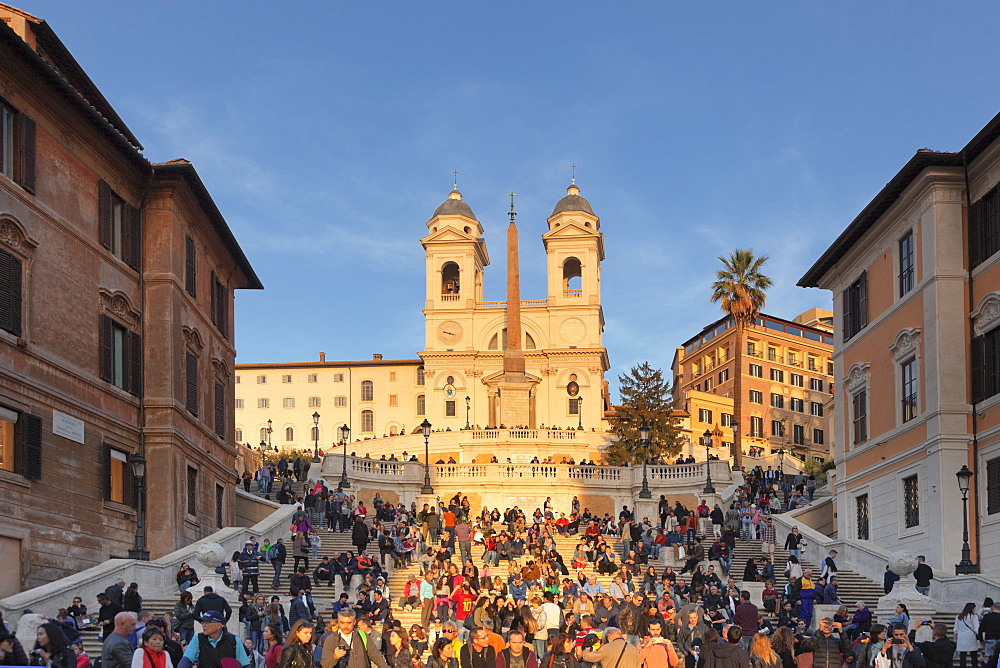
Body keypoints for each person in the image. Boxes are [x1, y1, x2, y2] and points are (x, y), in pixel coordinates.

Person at [176, 610, 250, 668]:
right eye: (203, 622)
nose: (203, 625)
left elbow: (244, 665)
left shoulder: (234, 640)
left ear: (219, 625)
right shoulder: (198, 639)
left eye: (207, 622)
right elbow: (186, 660)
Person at [319, 610, 391, 668]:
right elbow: (325, 664)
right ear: (338, 622)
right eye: (342, 622)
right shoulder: (331, 640)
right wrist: (334, 657)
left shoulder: (362, 636)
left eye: (349, 623)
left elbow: (376, 656)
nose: (345, 626)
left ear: (354, 622)